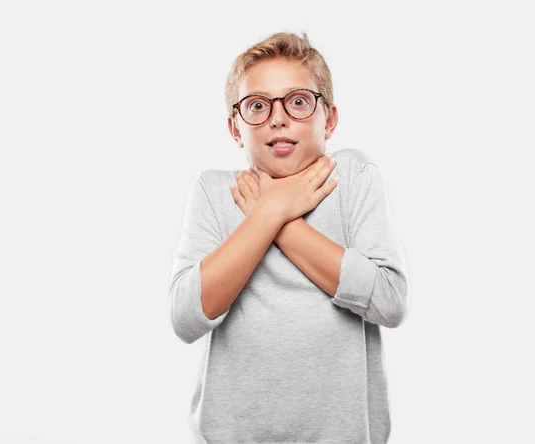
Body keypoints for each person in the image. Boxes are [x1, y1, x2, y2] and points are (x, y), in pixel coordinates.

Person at [168, 31, 409, 443]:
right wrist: (270, 211)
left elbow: (389, 301)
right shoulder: (213, 191)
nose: (278, 118)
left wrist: (276, 215)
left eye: (297, 101)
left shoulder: (352, 178)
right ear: (234, 127)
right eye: (258, 106)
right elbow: (187, 317)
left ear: (329, 118)